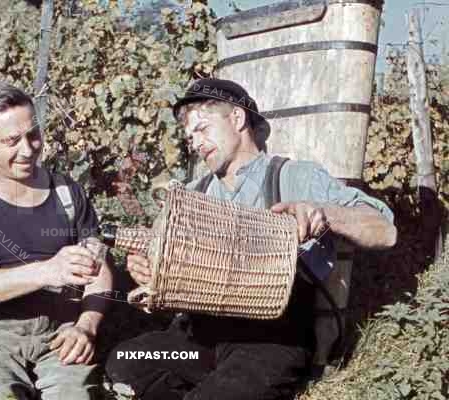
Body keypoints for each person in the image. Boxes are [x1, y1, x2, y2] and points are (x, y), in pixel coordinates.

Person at [105, 78, 397, 400]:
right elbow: (166, 267)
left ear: (237, 118)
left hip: (269, 341)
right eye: (190, 136)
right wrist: (149, 269)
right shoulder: (192, 194)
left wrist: (324, 214)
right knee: (126, 362)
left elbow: (384, 229)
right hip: (198, 341)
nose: (196, 143)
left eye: (202, 128)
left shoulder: (292, 176)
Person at [0, 81, 112, 400]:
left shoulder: (68, 194)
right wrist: (48, 271)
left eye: (33, 135)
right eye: (12, 141)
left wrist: (86, 326)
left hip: (61, 331)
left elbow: (98, 270)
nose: (28, 149)